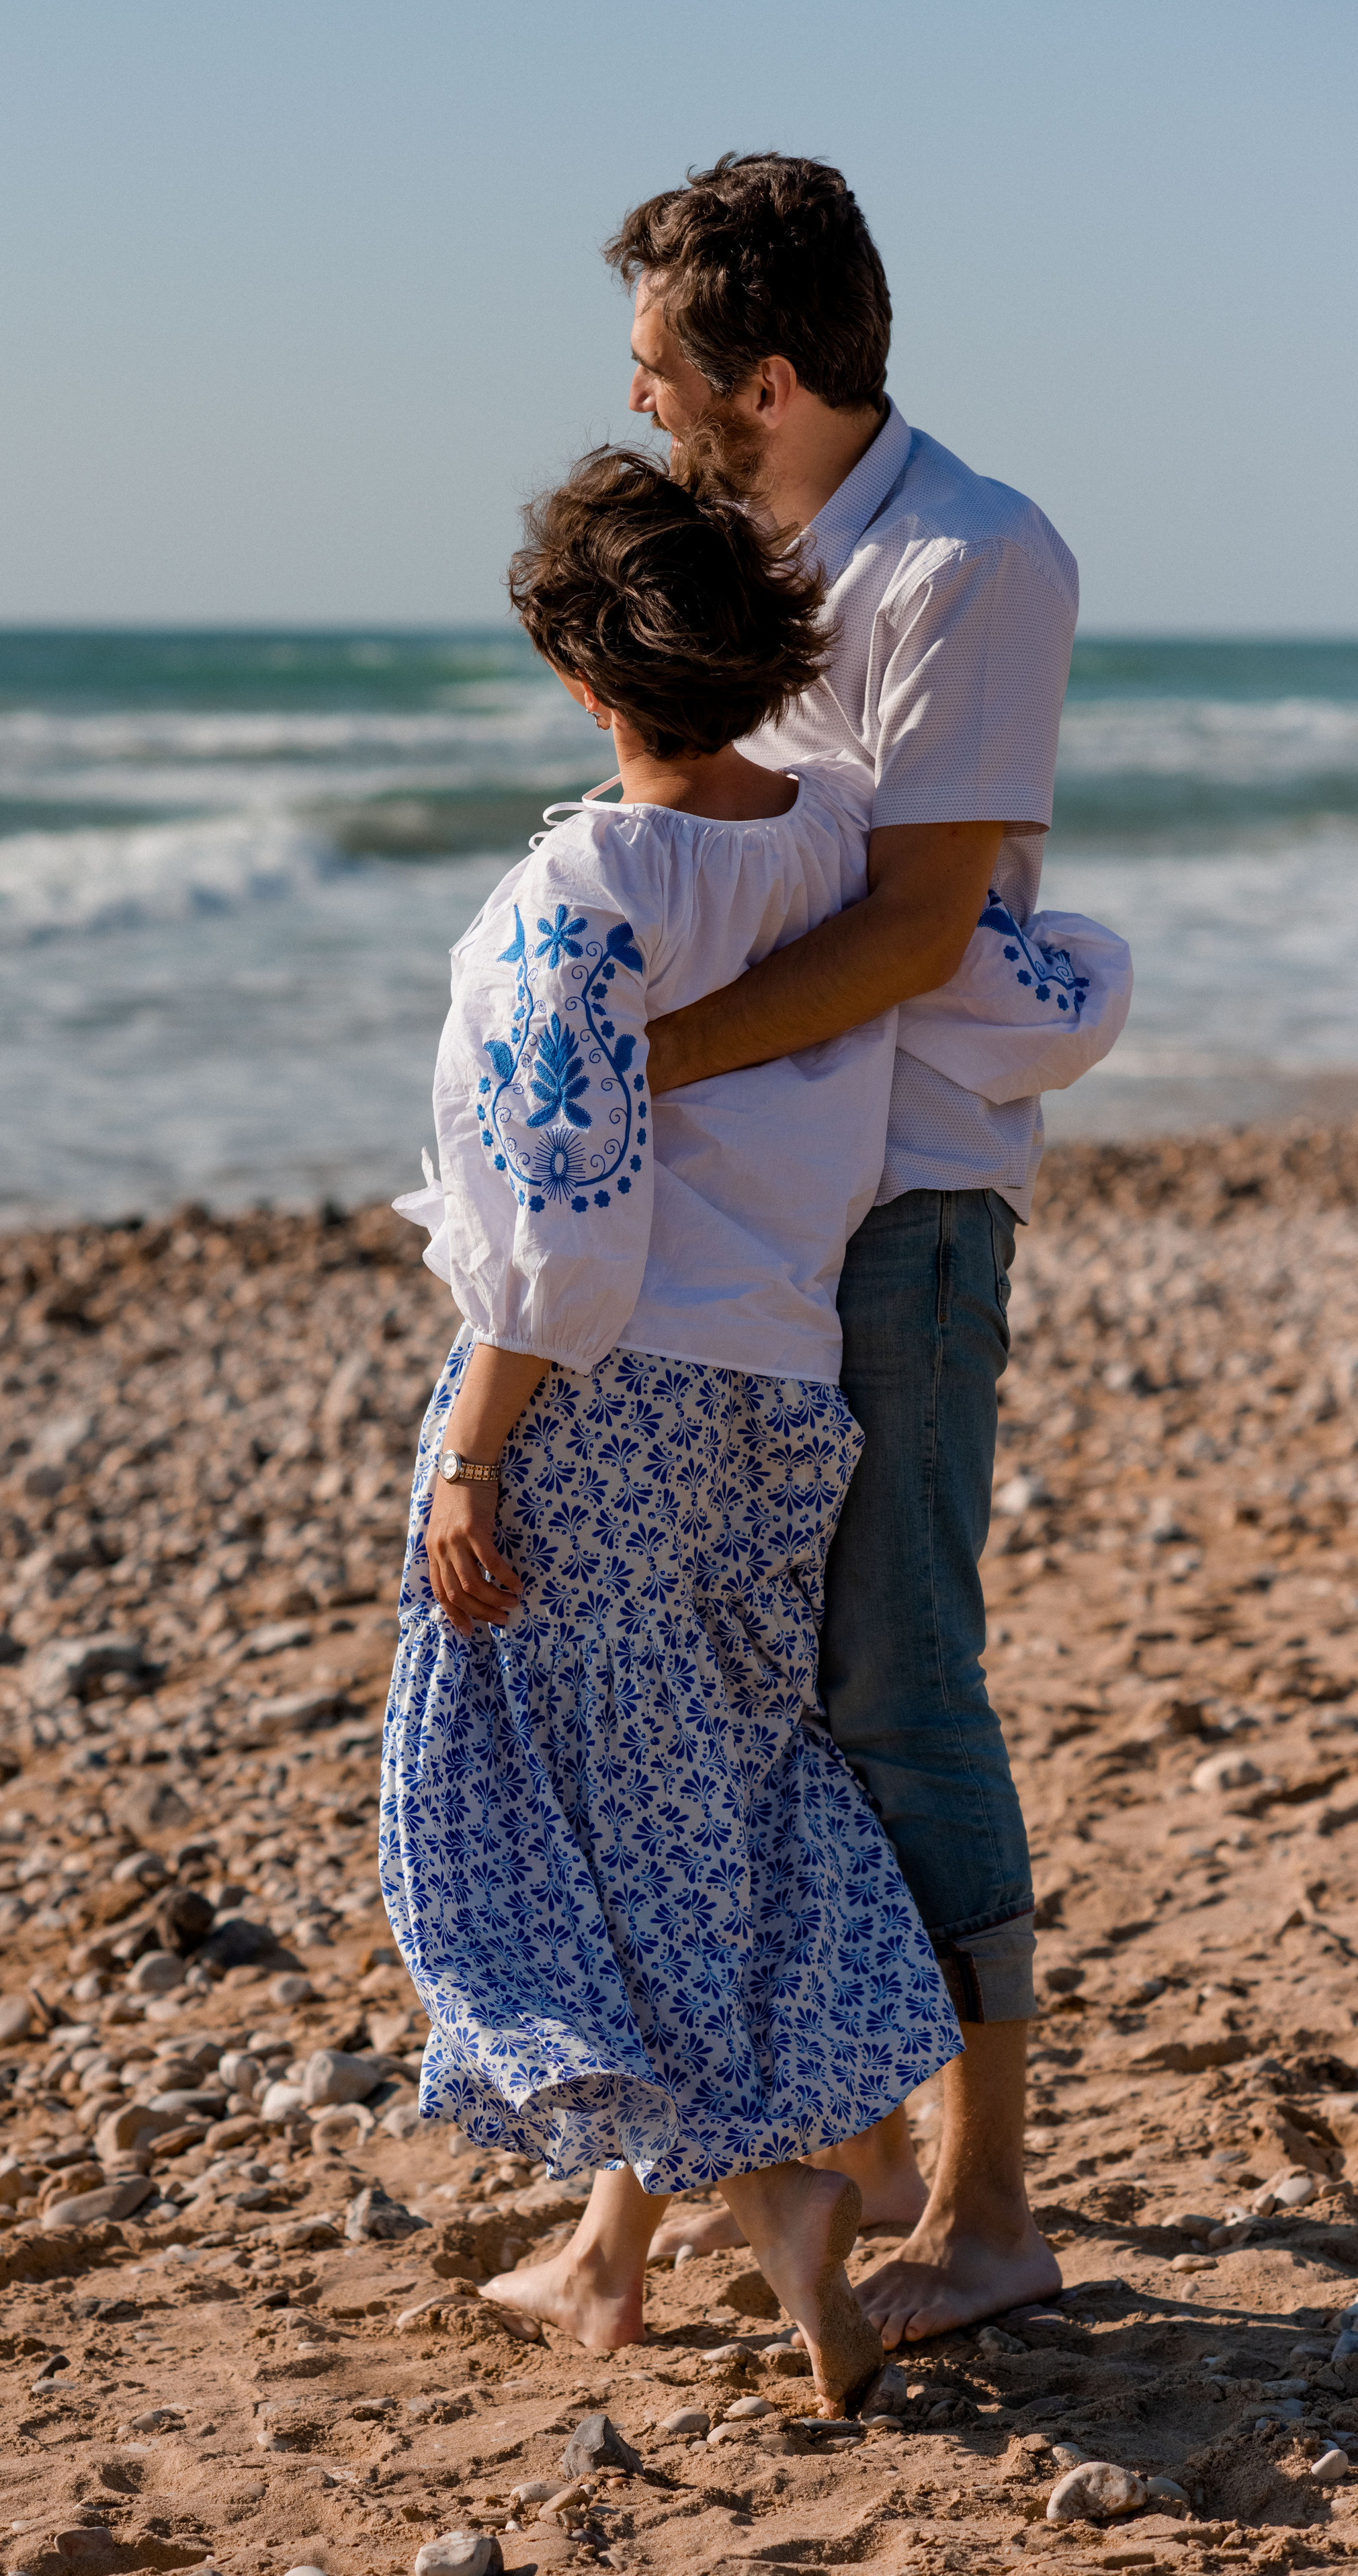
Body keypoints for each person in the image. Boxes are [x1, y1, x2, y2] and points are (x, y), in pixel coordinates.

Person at [380, 449, 1128, 2373]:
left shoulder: (578, 889)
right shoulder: (850, 843)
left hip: (601, 1403)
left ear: (580, 676)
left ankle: (737, 2189)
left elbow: (559, 1220)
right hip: (785, 1400)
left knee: (531, 1793)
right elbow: (1036, 995)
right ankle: (717, 2204)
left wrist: (470, 1444)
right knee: (740, 1783)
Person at [535, 150, 1084, 2348]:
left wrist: (627, 1063)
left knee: (893, 1681)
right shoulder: (730, 555)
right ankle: (646, 2216)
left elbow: (919, 924)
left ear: (769, 376)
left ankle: (993, 2197)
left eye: (666, 378)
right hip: (740, 1211)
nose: (646, 413)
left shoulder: (974, 558)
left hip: (910, 1198)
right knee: (698, 1678)